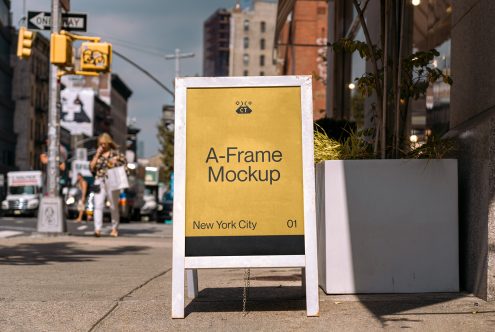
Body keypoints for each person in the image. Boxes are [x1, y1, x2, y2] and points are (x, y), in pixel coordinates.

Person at [89, 133, 127, 237]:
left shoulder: (116, 155)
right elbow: (91, 168)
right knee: (98, 205)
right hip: (99, 181)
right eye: (100, 144)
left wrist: (115, 163)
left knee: (113, 206)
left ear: (108, 143)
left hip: (112, 180)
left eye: (104, 144)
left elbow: (125, 168)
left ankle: (114, 228)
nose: (102, 146)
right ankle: (97, 229)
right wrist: (97, 155)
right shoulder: (98, 155)